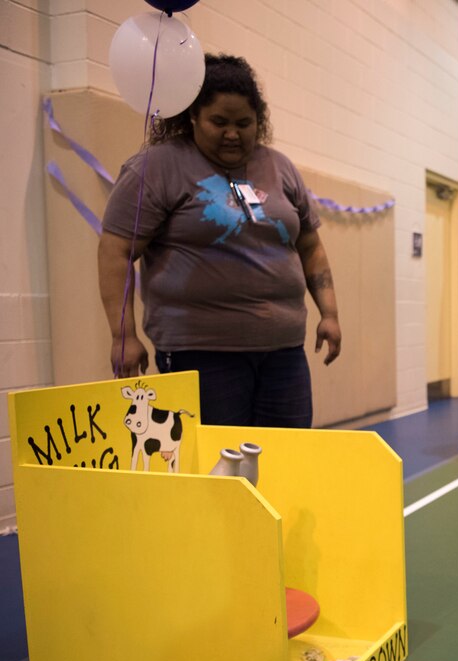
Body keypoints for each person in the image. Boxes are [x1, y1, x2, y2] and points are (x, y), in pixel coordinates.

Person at [98, 54, 340, 428]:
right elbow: (116, 252)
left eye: (244, 123)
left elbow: (310, 247)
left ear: (259, 121)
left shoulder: (279, 167)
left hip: (283, 352)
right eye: (219, 122)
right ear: (192, 116)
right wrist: (123, 336)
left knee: (286, 465)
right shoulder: (158, 167)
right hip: (201, 355)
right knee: (220, 472)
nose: (233, 133)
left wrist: (330, 314)